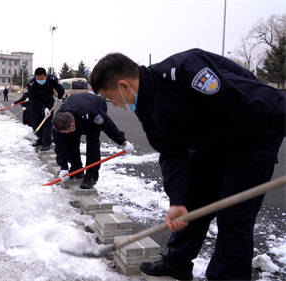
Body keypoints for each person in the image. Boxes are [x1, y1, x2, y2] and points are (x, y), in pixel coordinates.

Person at [90, 49, 285, 280]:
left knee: (233, 216)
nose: (115, 104)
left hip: (254, 135)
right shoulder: (148, 108)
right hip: (215, 143)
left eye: (110, 98)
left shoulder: (184, 71)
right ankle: (178, 262)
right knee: (192, 202)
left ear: (124, 86)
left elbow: (247, 102)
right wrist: (178, 201)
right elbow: (172, 153)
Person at [52, 92, 132, 189]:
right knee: (70, 141)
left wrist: (122, 142)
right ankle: (77, 168)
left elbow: (107, 125)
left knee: (92, 141)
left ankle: (91, 176)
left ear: (72, 125)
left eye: (66, 131)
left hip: (95, 106)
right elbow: (60, 146)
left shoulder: (92, 113)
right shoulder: (59, 123)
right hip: (76, 105)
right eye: (62, 132)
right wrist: (63, 167)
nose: (64, 133)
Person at [27, 67, 65, 151]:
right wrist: (43, 108)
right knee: (36, 123)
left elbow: (60, 88)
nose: (39, 80)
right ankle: (40, 140)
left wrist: (59, 97)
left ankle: (47, 142)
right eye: (37, 78)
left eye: (41, 78)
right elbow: (33, 99)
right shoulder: (32, 84)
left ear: (45, 76)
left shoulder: (52, 79)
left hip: (48, 102)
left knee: (47, 123)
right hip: (36, 104)